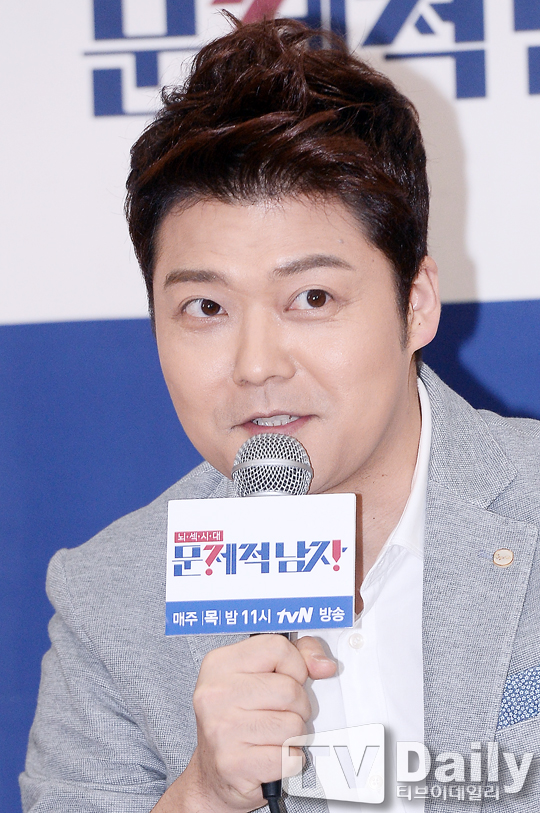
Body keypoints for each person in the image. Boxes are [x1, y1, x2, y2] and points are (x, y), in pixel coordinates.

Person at [21, 16, 540, 813]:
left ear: (416, 303)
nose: (257, 364)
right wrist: (202, 793)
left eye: (313, 297)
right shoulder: (109, 599)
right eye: (206, 307)